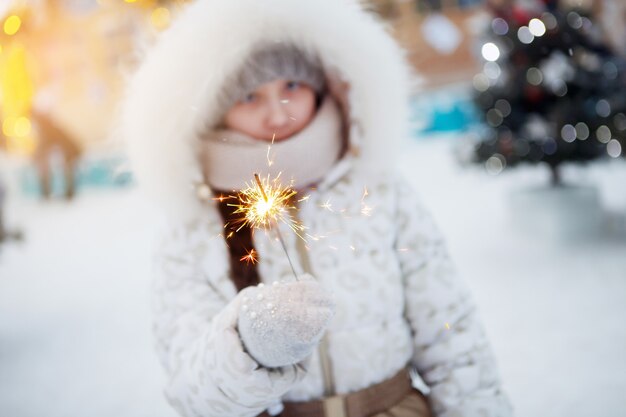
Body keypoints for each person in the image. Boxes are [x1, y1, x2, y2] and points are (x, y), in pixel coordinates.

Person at [121, 1, 514, 416]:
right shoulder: (192, 227)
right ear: (215, 111)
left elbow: (451, 334)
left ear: (323, 84)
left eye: (292, 85)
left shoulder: (377, 190)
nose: (277, 113)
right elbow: (190, 388)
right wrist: (247, 345)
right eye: (249, 96)